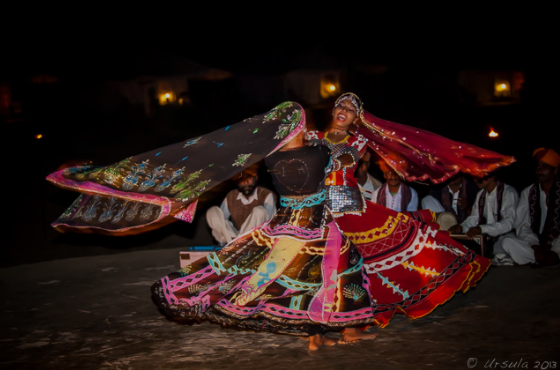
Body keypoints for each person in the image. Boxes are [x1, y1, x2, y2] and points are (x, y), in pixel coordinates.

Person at [151, 104, 379, 350]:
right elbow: (346, 158)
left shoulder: (271, 157)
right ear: (299, 128)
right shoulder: (319, 153)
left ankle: (315, 335)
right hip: (316, 228)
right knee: (347, 267)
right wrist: (359, 144)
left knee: (307, 278)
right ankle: (348, 330)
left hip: (283, 227)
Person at [305, 92, 509, 335]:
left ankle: (353, 323)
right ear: (332, 110)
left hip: (349, 209)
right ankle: (320, 317)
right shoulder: (311, 137)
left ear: (357, 118)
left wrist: (316, 150)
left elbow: (344, 159)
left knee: (352, 264)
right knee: (318, 264)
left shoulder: (356, 142)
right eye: (341, 104)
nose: (344, 109)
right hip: (317, 209)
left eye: (351, 108)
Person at [492, 147, 560, 267]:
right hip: (536, 246)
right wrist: (535, 245)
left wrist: (555, 251)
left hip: (557, 244)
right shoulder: (528, 192)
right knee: (506, 241)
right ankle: (540, 259)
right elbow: (523, 225)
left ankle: (545, 259)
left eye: (544, 167)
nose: (539, 171)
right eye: (538, 167)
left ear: (555, 171)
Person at [448, 170, 519, 256]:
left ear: (492, 176)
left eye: (478, 176)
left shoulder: (508, 193)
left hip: (508, 237)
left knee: (507, 243)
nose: (475, 180)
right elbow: (473, 219)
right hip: (491, 241)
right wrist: (461, 227)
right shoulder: (481, 194)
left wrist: (482, 229)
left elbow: (508, 223)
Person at [205, 163, 277, 246]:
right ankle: (234, 243)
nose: (246, 182)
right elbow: (221, 222)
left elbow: (270, 223)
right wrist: (228, 235)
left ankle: (240, 243)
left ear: (256, 178)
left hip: (255, 239)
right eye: (242, 179)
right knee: (213, 211)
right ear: (237, 182)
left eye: (249, 178)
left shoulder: (266, 195)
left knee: (260, 211)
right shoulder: (231, 196)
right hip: (233, 237)